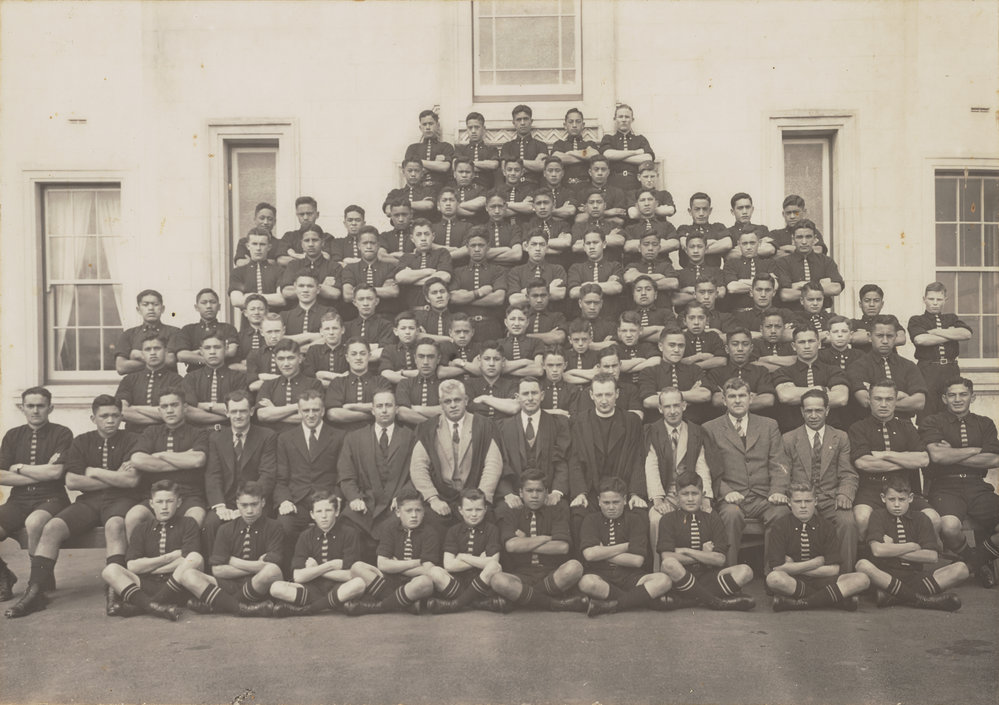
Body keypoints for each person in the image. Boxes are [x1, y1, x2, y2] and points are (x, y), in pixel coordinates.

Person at [6, 396, 140, 619]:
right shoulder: (81, 441)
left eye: (115, 415)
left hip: (121, 499)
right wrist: (115, 476)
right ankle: (36, 591)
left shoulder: (133, 439)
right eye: (104, 416)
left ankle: (115, 590)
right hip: (88, 501)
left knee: (115, 525)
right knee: (52, 527)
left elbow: (131, 481)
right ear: (93, 418)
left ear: (121, 417)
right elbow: (72, 481)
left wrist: (93, 471)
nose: (110, 421)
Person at [703, 377, 791, 569]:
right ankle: (728, 576)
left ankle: (774, 576)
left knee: (781, 513)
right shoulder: (710, 428)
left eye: (742, 395)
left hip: (763, 497)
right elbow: (711, 469)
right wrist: (726, 493)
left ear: (751, 398)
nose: (737, 400)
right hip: (732, 496)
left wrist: (777, 491)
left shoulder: (769, 425)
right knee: (731, 515)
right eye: (732, 396)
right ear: (724, 400)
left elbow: (779, 464)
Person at [920, 377, 999, 587]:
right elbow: (938, 457)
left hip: (978, 486)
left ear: (972, 397)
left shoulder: (985, 423)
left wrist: (952, 452)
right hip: (946, 486)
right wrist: (976, 450)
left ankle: (974, 562)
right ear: (944, 398)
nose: (957, 399)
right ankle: (980, 562)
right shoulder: (933, 422)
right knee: (949, 525)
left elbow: (994, 459)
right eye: (952, 395)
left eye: (963, 394)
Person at [0, 387, 73, 601]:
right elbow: (1, 475)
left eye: (40, 406)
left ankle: (38, 582)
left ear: (50, 407)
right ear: (22, 408)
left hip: (51, 498)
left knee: (34, 522)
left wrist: (18, 467)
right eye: (30, 406)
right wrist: (42, 472)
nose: (35, 410)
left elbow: (57, 472)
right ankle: (4, 576)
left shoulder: (62, 433)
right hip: (18, 500)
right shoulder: (13, 435)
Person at [855, 476, 967, 611]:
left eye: (901, 499)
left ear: (911, 498)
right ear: (883, 498)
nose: (896, 505)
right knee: (862, 566)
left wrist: (891, 549)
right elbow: (877, 551)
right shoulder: (877, 516)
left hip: (914, 576)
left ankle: (894, 596)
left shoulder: (921, 518)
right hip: (885, 575)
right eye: (892, 499)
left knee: (961, 569)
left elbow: (931, 557)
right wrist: (912, 546)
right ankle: (924, 600)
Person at [848, 379, 939, 538]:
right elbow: (864, 463)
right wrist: (906, 461)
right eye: (878, 399)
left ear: (896, 401)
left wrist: (886, 454)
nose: (883, 404)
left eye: (889, 399)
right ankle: (868, 556)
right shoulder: (858, 428)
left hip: (905, 489)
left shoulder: (907, 427)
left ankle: (915, 559)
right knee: (861, 518)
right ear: (869, 400)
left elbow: (923, 460)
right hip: (870, 490)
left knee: (934, 519)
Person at [409, 380, 503, 530]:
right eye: (447, 401)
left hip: (475, 495)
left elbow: (493, 464)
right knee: (430, 525)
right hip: (442, 496)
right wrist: (433, 499)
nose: (453, 405)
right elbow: (418, 467)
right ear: (441, 403)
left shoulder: (484, 425)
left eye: (457, 400)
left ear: (466, 400)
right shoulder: (427, 428)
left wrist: (480, 500)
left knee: (488, 524)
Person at [100, 480, 201, 621]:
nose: (164, 507)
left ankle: (146, 604)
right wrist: (168, 557)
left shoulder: (188, 523)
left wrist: (150, 567)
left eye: (169, 501)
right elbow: (132, 565)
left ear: (178, 503)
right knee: (110, 570)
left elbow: (187, 559)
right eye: (159, 502)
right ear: (152, 504)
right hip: (149, 585)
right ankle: (154, 606)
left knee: (195, 558)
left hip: (177, 585)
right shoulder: (142, 528)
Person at [488, 470, 587, 612]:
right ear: (521, 493)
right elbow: (511, 546)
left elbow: (562, 547)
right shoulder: (512, 513)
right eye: (529, 491)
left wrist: (525, 542)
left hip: (551, 574)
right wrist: (546, 538)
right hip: (522, 575)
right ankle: (555, 604)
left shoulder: (556, 511)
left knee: (575, 567)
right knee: (497, 580)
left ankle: (523, 598)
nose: (534, 495)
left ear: (546, 492)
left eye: (539, 491)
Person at [781, 390, 860, 569]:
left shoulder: (840, 437)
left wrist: (845, 494)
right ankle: (800, 575)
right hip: (801, 499)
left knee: (847, 523)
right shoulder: (789, 438)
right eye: (809, 411)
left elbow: (848, 473)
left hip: (831, 498)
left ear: (827, 410)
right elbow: (783, 474)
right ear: (802, 412)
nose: (814, 415)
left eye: (818, 410)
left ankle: (846, 577)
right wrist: (791, 498)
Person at [658, 471, 756, 610]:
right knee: (669, 564)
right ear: (677, 496)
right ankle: (715, 602)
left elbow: (720, 559)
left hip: (708, 576)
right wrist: (704, 555)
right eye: (685, 494)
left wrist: (687, 551)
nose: (690, 499)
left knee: (746, 571)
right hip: (680, 577)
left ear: (703, 494)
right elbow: (667, 556)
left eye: (695, 493)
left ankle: (687, 601)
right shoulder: (668, 520)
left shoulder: (712, 518)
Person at [765, 484, 870, 611]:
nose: (803, 506)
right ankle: (833, 599)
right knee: (773, 578)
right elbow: (778, 567)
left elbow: (833, 570)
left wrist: (795, 567)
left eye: (808, 501)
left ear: (815, 502)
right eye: (798, 501)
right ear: (789, 502)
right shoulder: (780, 526)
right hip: (793, 581)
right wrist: (816, 563)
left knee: (863, 579)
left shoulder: (826, 526)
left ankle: (800, 603)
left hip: (824, 580)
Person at [338, 390, 417, 556]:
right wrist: (354, 497)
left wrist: (404, 495)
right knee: (348, 526)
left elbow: (417, 473)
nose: (384, 410)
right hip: (365, 503)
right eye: (379, 406)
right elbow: (346, 475)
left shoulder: (409, 437)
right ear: (372, 410)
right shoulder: (354, 438)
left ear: (396, 409)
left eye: (388, 405)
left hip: (395, 504)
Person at [579, 477, 672, 616]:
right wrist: (625, 546)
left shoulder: (635, 520)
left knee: (664, 580)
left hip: (630, 576)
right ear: (598, 501)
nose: (611, 507)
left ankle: (613, 604)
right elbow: (590, 555)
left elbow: (636, 561)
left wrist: (602, 551)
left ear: (624, 499)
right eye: (606, 502)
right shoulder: (591, 520)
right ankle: (640, 599)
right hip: (601, 574)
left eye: (616, 502)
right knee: (587, 582)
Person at [274, 390, 344, 573]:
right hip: (298, 502)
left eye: (315, 410)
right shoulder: (285, 438)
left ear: (323, 411)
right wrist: (285, 500)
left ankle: (334, 576)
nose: (311, 414)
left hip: (328, 500)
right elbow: (281, 479)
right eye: (306, 410)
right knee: (284, 526)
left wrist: (336, 499)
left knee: (347, 524)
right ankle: (291, 575)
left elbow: (342, 475)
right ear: (299, 411)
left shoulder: (338, 436)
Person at [568, 374, 647, 537]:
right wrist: (580, 492)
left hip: (623, 491)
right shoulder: (580, 422)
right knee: (578, 515)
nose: (604, 400)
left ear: (617, 394)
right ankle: (584, 561)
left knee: (639, 514)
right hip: (591, 491)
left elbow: (638, 460)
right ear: (591, 395)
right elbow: (574, 460)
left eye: (608, 394)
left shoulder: (631, 421)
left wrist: (635, 493)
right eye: (599, 395)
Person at [203, 391, 277, 558]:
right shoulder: (216, 438)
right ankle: (213, 568)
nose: (238, 416)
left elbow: (267, 475)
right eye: (234, 411)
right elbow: (213, 475)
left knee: (261, 521)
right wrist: (220, 505)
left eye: (243, 411)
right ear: (227, 413)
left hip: (255, 500)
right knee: (211, 523)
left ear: (251, 411)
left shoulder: (267, 436)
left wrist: (246, 504)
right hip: (226, 501)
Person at [644, 388, 715, 564]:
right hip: (666, 494)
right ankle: (660, 572)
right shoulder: (652, 431)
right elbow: (651, 465)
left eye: (676, 405)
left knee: (709, 517)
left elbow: (702, 465)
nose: (673, 411)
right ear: (660, 409)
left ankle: (701, 572)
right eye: (667, 406)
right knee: (656, 520)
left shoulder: (696, 431)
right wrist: (658, 500)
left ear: (684, 406)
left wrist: (705, 497)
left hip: (691, 493)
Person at [281, 490, 368, 615]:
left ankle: (311, 608)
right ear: (312, 514)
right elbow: (298, 576)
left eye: (328, 510)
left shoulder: (349, 533)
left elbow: (350, 575)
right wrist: (329, 566)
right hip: (313, 588)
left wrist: (315, 570)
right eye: (319, 511)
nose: (323, 516)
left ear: (337, 512)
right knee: (276, 587)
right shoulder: (305, 536)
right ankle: (336, 603)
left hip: (339, 586)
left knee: (359, 584)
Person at [208, 480, 286, 616]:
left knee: (271, 570)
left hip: (260, 586)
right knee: (189, 575)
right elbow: (217, 570)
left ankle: (222, 605)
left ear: (263, 502)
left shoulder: (275, 527)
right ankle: (242, 606)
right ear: (237, 504)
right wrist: (256, 566)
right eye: (244, 505)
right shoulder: (225, 529)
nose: (249, 510)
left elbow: (272, 565)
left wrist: (233, 561)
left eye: (254, 504)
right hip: (231, 584)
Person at [425, 488, 505, 614]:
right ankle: (477, 603)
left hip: (482, 580)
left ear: (485, 509)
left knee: (494, 567)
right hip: (458, 582)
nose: (474, 514)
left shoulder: (492, 530)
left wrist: (462, 557)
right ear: (460, 510)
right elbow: (449, 565)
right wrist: (480, 559)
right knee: (434, 571)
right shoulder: (454, 531)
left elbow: (493, 562)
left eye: (478, 509)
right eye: (469, 509)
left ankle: (456, 604)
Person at [495, 377, 571, 509]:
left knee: (561, 508)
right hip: (515, 494)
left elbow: (562, 461)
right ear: (517, 397)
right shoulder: (503, 427)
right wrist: (508, 494)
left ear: (542, 396)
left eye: (534, 393)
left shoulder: (557, 424)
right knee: (502, 511)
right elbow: (500, 463)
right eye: (525, 394)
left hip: (548, 494)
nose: (530, 398)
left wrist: (557, 491)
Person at [907, 282, 972, 419]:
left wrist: (936, 332)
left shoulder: (951, 318)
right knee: (928, 411)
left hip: (951, 369)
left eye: (939, 299)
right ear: (924, 299)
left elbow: (966, 334)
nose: (935, 303)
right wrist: (950, 334)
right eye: (931, 299)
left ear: (945, 300)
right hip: (927, 370)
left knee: (953, 408)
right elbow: (921, 340)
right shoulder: (917, 320)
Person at [846, 315, 928, 423]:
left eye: (889, 336)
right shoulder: (858, 366)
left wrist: (879, 401)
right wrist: (901, 397)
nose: (885, 341)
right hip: (869, 427)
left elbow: (919, 402)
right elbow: (865, 400)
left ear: (895, 337)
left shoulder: (908, 365)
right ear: (870, 337)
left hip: (903, 427)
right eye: (879, 336)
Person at [772, 326, 850, 432]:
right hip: (794, 432)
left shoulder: (834, 371)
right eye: (801, 342)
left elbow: (841, 398)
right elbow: (786, 396)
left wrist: (798, 394)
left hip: (831, 432)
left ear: (819, 344)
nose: (807, 346)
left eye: (811, 341)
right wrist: (821, 389)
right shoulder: (783, 372)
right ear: (793, 346)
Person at [638, 325, 714, 424]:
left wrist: (661, 395)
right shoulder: (649, 372)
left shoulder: (694, 370)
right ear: (661, 346)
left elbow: (705, 395)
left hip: (692, 427)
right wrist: (689, 396)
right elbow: (649, 401)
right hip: (659, 430)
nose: (677, 350)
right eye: (672, 345)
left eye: (681, 345)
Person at [115, 332, 184, 433]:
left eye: (157, 348)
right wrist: (160, 417)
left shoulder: (176, 380)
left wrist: (135, 408)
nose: (152, 353)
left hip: (165, 435)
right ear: (142, 354)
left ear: (166, 352)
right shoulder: (129, 380)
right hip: (134, 436)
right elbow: (121, 411)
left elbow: (176, 413)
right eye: (148, 349)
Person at [448, 226, 508, 341]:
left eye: (481, 245)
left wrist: (465, 298)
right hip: (464, 329)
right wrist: (479, 293)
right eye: (473, 245)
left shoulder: (498, 270)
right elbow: (453, 298)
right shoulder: (458, 271)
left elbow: (498, 299)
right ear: (467, 247)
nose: (477, 249)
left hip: (490, 326)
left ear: (488, 247)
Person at [255, 339, 324, 434]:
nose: (286, 364)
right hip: (274, 440)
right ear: (275, 360)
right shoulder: (268, 385)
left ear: (300, 358)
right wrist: (299, 406)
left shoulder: (314, 384)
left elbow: (312, 417)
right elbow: (262, 415)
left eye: (291, 358)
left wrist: (274, 411)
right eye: (281, 359)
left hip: (303, 439)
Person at [180, 334, 250, 428]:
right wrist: (228, 415)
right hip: (198, 432)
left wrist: (204, 406)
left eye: (217, 347)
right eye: (207, 348)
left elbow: (239, 407)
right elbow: (188, 411)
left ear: (226, 349)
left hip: (230, 432)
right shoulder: (191, 378)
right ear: (201, 351)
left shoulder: (239, 377)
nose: (212, 352)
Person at [773, 219, 843, 311]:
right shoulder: (783, 263)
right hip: (792, 314)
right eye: (799, 237)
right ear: (793, 239)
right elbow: (785, 295)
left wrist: (800, 285)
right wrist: (821, 286)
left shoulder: (826, 261)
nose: (804, 242)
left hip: (821, 314)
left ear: (815, 239)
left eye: (808, 237)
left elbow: (836, 288)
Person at [325, 338, 391, 431]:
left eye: (363, 353)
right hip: (345, 436)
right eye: (354, 354)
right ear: (347, 358)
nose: (358, 358)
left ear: (369, 356)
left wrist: (351, 407)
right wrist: (369, 415)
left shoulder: (381, 381)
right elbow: (333, 414)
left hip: (375, 435)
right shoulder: (338, 383)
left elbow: (386, 408)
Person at [707, 329, 776, 416]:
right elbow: (716, 400)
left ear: (751, 348)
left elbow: (767, 400)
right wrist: (750, 397)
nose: (740, 349)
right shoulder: (716, 372)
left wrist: (730, 398)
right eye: (735, 344)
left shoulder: (761, 371)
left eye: (745, 344)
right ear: (727, 349)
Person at [115, 290, 183, 375]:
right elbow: (121, 367)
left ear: (162, 309)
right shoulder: (129, 334)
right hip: (138, 385)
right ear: (138, 310)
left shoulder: (174, 332)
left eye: (155, 304)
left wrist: (138, 355)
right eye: (145, 305)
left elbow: (170, 360)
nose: (151, 308)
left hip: (167, 385)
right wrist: (158, 360)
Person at [278, 226, 342, 310]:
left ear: (322, 242)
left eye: (315, 240)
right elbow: (287, 292)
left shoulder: (334, 266)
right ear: (302, 244)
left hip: (325, 314)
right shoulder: (294, 265)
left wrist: (301, 288)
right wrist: (322, 287)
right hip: (297, 314)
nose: (311, 244)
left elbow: (335, 294)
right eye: (306, 240)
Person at [175, 289, 239, 372]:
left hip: (223, 375)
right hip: (195, 377)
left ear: (219, 306)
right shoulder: (188, 330)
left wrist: (197, 353)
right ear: (196, 307)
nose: (209, 306)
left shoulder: (228, 328)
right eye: (204, 302)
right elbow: (182, 355)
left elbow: (231, 351)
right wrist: (212, 361)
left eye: (212, 302)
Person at [341, 227, 401, 312]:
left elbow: (393, 291)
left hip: (384, 315)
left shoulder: (389, 267)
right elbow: (347, 295)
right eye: (365, 243)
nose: (369, 246)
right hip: (356, 317)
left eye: (372, 243)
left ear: (378, 245)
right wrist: (380, 291)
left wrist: (358, 291)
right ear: (359, 246)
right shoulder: (350, 269)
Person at [599, 104, 654, 192]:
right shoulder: (609, 138)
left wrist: (617, 157)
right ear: (615, 119)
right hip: (613, 185)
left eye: (627, 117)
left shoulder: (640, 139)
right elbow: (607, 155)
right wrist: (636, 152)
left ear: (632, 120)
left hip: (636, 185)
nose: (624, 120)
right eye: (620, 117)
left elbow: (648, 158)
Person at [228, 229, 287, 311]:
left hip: (272, 320)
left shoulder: (279, 271)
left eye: (262, 244)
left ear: (269, 247)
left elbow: (281, 300)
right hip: (247, 321)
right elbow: (236, 301)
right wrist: (271, 298)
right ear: (248, 246)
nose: (258, 248)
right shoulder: (238, 272)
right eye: (254, 244)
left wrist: (250, 295)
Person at [462, 343, 521, 419]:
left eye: (496, 359)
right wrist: (503, 407)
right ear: (479, 360)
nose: (491, 364)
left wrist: (484, 398)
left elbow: (514, 407)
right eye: (487, 359)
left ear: (503, 362)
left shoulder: (512, 384)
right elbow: (468, 409)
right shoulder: (469, 384)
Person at [723, 231, 776, 313]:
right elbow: (732, 288)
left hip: (766, 313)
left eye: (752, 243)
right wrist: (763, 285)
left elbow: (775, 286)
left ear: (759, 243)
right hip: (740, 313)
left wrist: (742, 281)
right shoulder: (731, 264)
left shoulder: (769, 263)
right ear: (738, 244)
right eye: (744, 243)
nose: (748, 247)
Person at [395, 338, 445, 425]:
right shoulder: (405, 383)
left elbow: (446, 410)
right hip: (410, 434)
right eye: (421, 357)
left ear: (438, 359)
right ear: (415, 359)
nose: (425, 362)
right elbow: (402, 413)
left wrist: (416, 408)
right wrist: (432, 426)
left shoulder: (445, 385)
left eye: (431, 357)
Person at [500, 105, 549, 188]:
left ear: (531, 121)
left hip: (534, 187)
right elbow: (505, 169)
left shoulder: (541, 145)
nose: (522, 123)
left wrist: (516, 163)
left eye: (525, 119)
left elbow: (541, 166)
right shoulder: (507, 146)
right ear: (514, 123)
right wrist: (532, 164)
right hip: (511, 187)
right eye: (519, 120)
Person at [677, 193, 730, 268]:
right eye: (697, 209)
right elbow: (685, 245)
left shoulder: (718, 227)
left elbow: (727, 244)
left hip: (714, 276)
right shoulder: (684, 229)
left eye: (704, 209)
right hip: (689, 275)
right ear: (690, 211)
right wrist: (713, 243)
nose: (701, 213)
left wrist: (694, 249)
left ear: (710, 210)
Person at [404, 109, 454, 189]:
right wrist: (435, 164)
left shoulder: (446, 146)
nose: (427, 127)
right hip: (418, 190)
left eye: (431, 124)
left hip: (441, 189)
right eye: (424, 124)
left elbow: (444, 167)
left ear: (437, 125)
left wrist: (418, 161)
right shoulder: (412, 148)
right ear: (420, 128)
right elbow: (411, 169)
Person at [550, 107, 601, 187]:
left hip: (586, 186)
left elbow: (595, 155)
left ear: (583, 125)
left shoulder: (589, 144)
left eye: (578, 122)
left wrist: (570, 153)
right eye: (570, 122)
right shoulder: (560, 144)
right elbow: (557, 158)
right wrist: (584, 157)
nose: (574, 125)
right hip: (565, 186)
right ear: (565, 125)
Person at [849, 284, 906, 352]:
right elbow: (851, 338)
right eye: (867, 301)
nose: (872, 305)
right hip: (861, 361)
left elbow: (901, 339)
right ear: (860, 304)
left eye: (876, 300)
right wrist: (887, 336)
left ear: (882, 304)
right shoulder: (853, 323)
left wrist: (866, 336)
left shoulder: (890, 319)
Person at [277, 196, 333, 264]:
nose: (305, 217)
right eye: (301, 214)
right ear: (297, 215)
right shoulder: (289, 236)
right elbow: (281, 260)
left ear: (317, 215)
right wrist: (306, 258)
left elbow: (326, 258)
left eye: (309, 214)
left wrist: (294, 255)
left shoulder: (327, 237)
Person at [453, 112, 500, 190]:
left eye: (477, 127)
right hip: (465, 189)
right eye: (470, 128)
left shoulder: (491, 149)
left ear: (484, 129)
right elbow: (455, 166)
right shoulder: (460, 149)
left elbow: (494, 165)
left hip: (487, 188)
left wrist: (467, 165)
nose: (473, 131)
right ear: (467, 129)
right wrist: (484, 166)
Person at [342, 284, 395, 349]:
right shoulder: (347, 327)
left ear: (376, 301)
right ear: (354, 302)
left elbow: (387, 348)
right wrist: (375, 346)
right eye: (361, 299)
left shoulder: (386, 325)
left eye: (369, 299)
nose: (365, 303)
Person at [724, 193, 774, 261]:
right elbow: (730, 256)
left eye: (747, 207)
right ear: (732, 211)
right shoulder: (727, 232)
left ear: (752, 209)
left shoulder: (762, 229)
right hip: (737, 271)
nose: (744, 212)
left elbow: (770, 249)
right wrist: (758, 246)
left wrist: (739, 248)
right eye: (740, 208)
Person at [305, 312, 349, 387]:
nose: (331, 332)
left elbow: (350, 379)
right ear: (321, 331)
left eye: (335, 328)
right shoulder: (313, 350)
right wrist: (341, 377)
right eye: (327, 329)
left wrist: (322, 374)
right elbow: (310, 379)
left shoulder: (348, 351)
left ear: (342, 330)